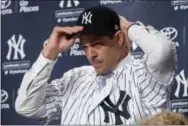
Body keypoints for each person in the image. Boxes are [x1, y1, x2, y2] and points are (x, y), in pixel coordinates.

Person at [15, 6, 177, 125]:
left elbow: (162, 51)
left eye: (97, 44)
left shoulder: (144, 74)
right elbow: (26, 106)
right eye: (85, 47)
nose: (90, 54)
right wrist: (50, 51)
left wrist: (128, 27)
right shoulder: (75, 77)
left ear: (119, 38)